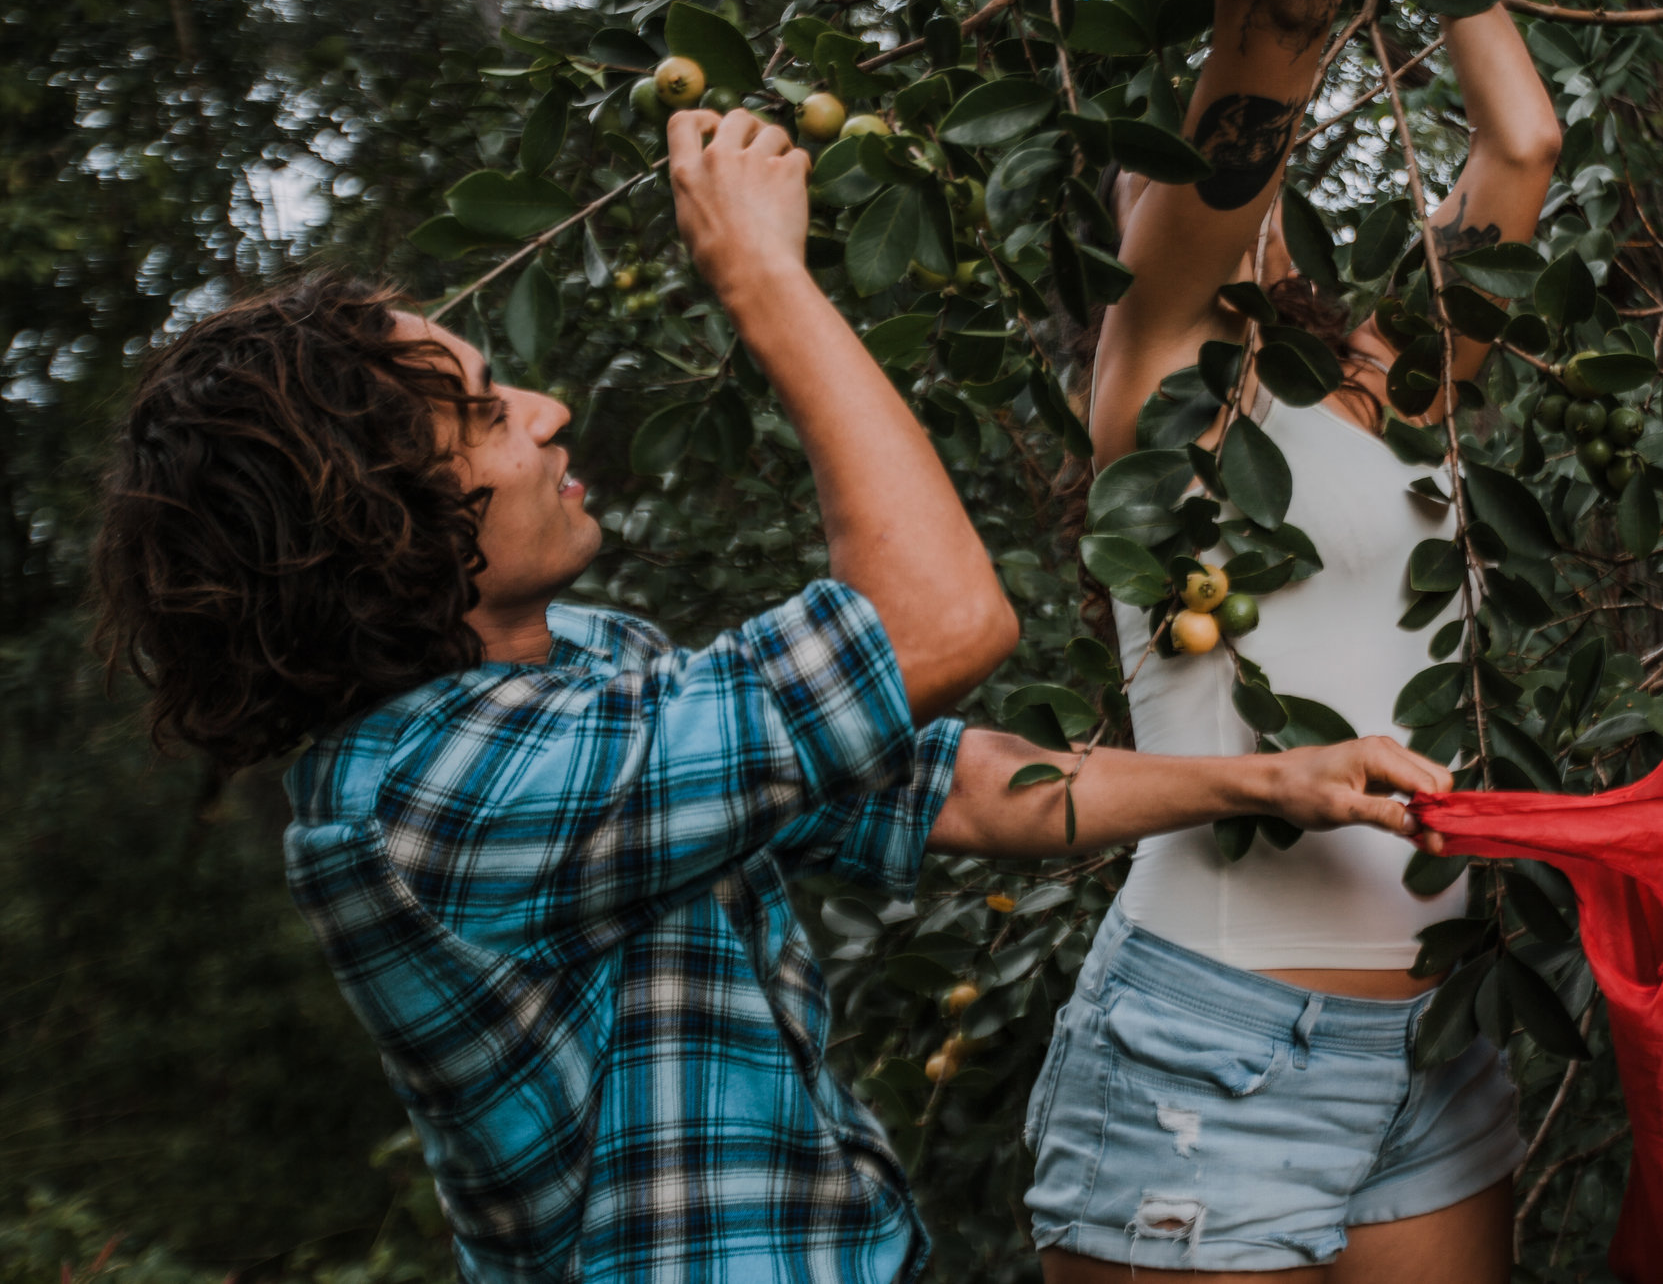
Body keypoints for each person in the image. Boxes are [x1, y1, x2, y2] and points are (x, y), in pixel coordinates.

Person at [89, 105, 1452, 1284]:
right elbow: (937, 623)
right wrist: (762, 280)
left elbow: (938, 781)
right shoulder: (435, 800)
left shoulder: (588, 671)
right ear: (377, 522)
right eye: (492, 411)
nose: (552, 409)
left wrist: (1267, 778)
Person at [1021, 0, 1561, 1279]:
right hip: (1209, 1039)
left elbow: (1523, 141)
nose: (1181, 173)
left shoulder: (1397, 383)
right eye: (1146, 166)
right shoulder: (1163, 394)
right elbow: (1275, 21)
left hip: (1426, 1032)